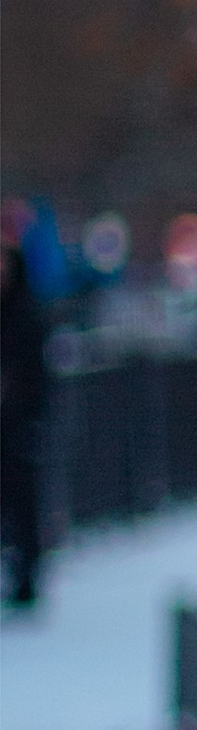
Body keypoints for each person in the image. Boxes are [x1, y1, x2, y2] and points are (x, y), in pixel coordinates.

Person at [0, 235, 53, 613]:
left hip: (16, 426)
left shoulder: (25, 315)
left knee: (21, 502)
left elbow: (37, 374)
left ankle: (25, 573)